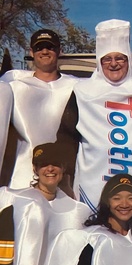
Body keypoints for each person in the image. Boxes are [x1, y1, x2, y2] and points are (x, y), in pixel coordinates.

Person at [56, 19, 132, 217]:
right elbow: (66, 137)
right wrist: (64, 180)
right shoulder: (82, 92)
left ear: (128, 59)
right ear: (99, 62)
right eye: (106, 59)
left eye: (119, 58)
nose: (113, 64)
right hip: (92, 184)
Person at [0, 30, 77, 188]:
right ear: (31, 52)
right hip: (21, 177)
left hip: (61, 177)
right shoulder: (13, 85)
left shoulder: (76, 86)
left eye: (50, 47)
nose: (44, 51)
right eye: (39, 48)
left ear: (59, 50)